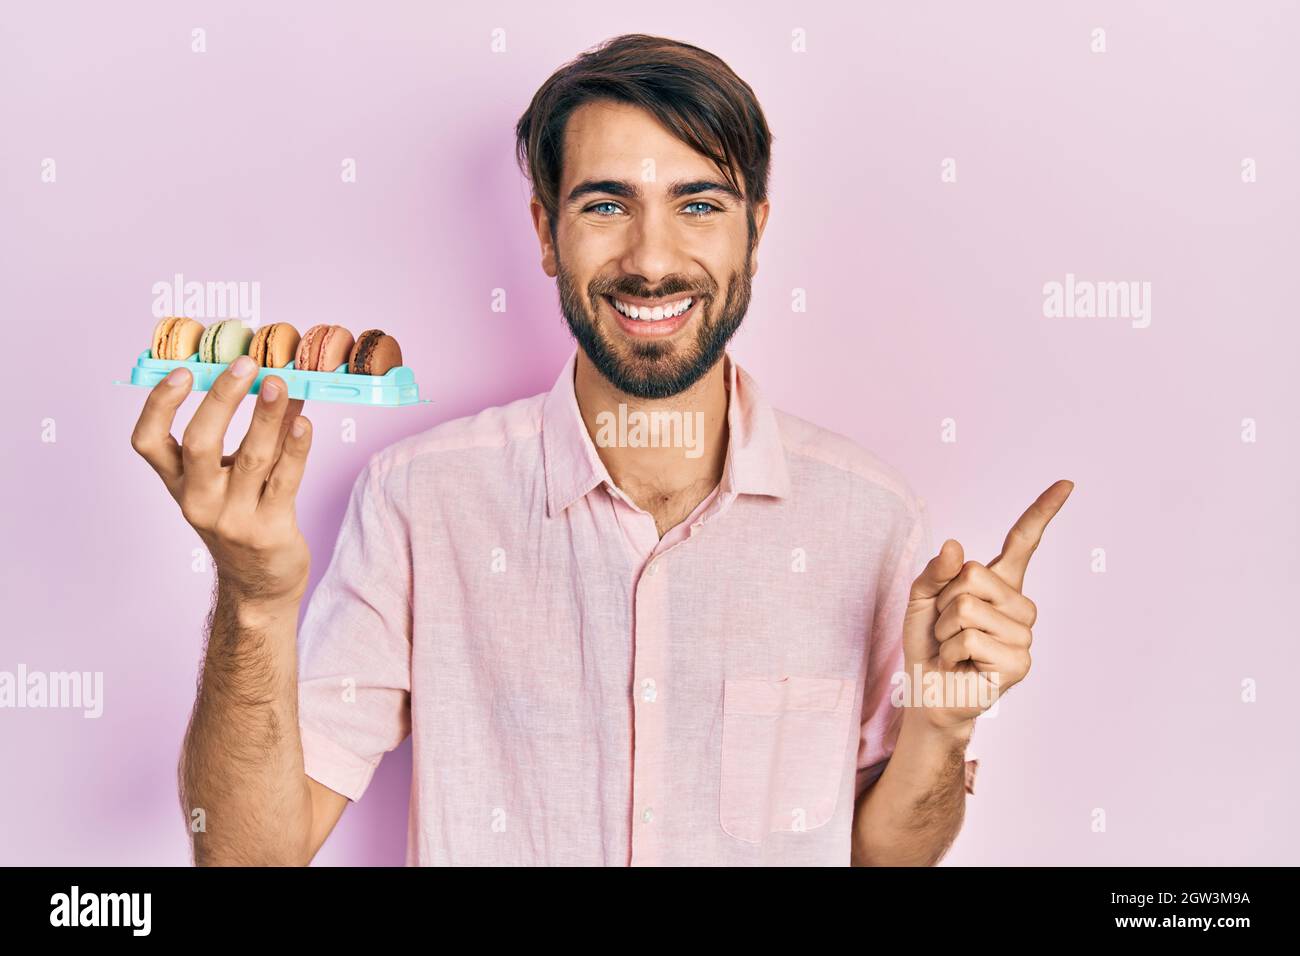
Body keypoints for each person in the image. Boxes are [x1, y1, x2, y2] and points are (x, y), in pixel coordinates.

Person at [130, 33, 1071, 866]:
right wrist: (253, 604)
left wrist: (941, 730)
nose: (653, 258)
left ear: (757, 231)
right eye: (605, 206)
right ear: (546, 232)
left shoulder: (869, 518)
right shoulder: (421, 501)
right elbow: (248, 858)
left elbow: (881, 859)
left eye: (699, 204)